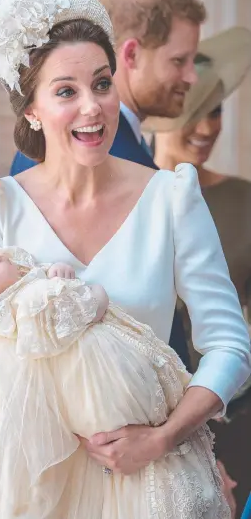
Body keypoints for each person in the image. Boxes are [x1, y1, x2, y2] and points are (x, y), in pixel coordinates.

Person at [0, 0, 250, 515]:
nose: (93, 108)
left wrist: (165, 436)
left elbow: (231, 347)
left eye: (102, 84)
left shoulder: (171, 198)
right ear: (31, 109)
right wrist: (65, 339)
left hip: (151, 479)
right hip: (33, 485)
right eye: (66, 91)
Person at [0, 247, 229, 517]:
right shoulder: (32, 303)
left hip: (135, 425)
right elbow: (93, 304)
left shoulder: (21, 302)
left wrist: (51, 276)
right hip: (111, 415)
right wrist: (79, 287)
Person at [10, 0, 207, 370]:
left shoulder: (153, 171)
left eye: (101, 84)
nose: (192, 77)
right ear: (130, 54)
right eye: (179, 60)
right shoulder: (89, 148)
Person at [151, 26, 251, 518]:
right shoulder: (129, 200)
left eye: (216, 111)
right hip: (139, 422)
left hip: (233, 416)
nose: (208, 127)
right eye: (195, 111)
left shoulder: (243, 201)